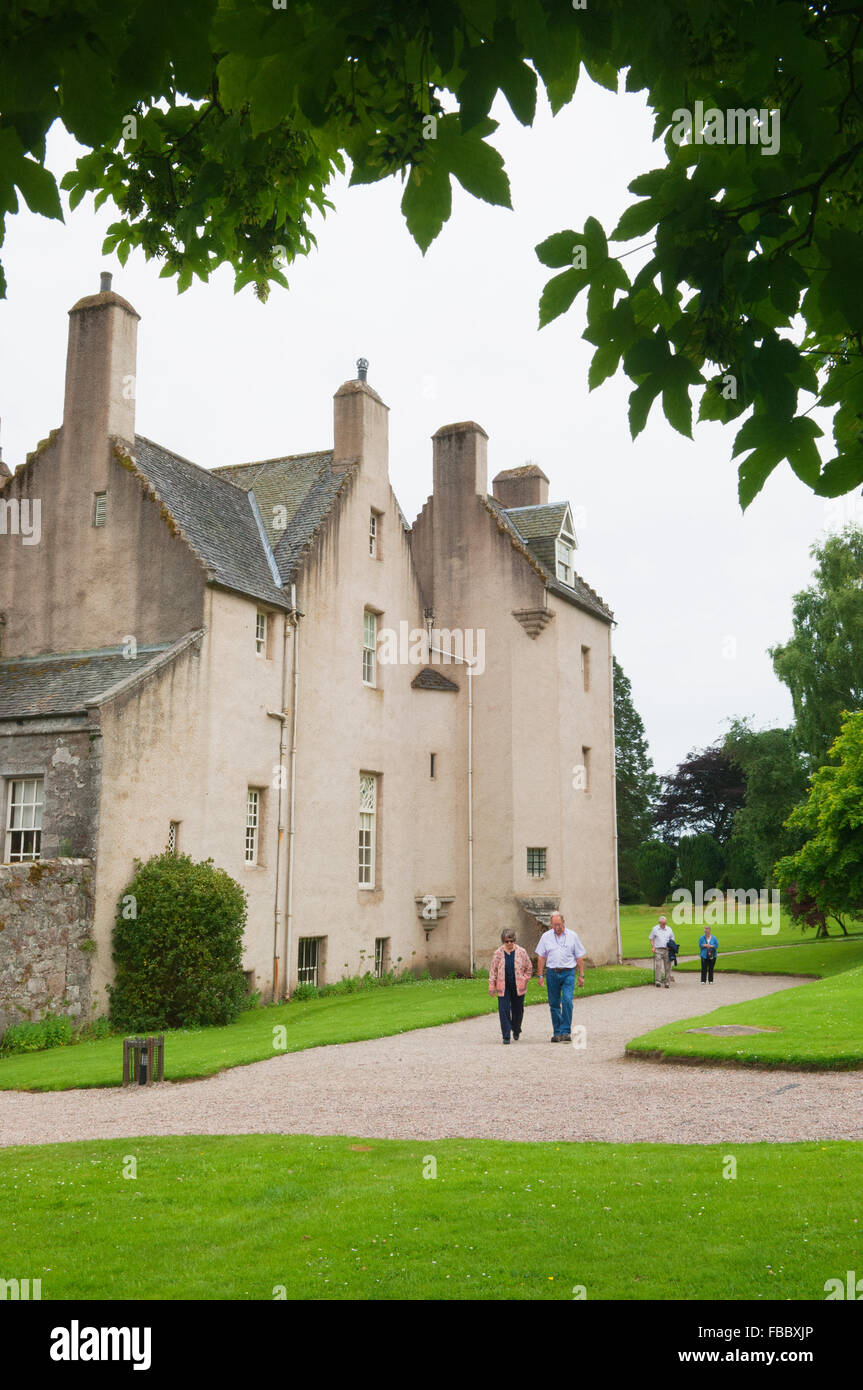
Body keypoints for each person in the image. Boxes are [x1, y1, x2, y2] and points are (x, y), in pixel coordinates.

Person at [535, 912, 586, 1042]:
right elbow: (541, 957)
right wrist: (540, 975)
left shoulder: (572, 936)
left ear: (563, 923)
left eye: (559, 924)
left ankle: (565, 1031)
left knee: (567, 1001)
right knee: (554, 1003)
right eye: (554, 924)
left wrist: (581, 975)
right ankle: (557, 1032)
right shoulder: (546, 937)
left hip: (568, 972)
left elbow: (579, 956)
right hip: (552, 973)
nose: (557, 927)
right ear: (551, 925)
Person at [488, 929, 533, 1043]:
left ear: (514, 940)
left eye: (511, 941)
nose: (509, 943)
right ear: (503, 941)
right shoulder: (498, 953)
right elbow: (493, 971)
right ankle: (506, 1035)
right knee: (504, 1010)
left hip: (518, 986)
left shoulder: (521, 952)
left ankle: (516, 1029)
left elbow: (529, 968)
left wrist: (524, 979)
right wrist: (491, 986)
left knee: (518, 1010)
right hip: (503, 986)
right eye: (506, 941)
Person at [649, 915, 675, 988]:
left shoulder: (669, 929)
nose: (664, 924)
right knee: (658, 965)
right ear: (659, 923)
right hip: (658, 949)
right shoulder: (655, 929)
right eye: (663, 923)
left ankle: (667, 982)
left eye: (665, 923)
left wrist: (670, 946)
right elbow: (651, 938)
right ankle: (658, 981)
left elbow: (672, 939)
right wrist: (653, 947)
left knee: (668, 966)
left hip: (667, 950)